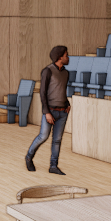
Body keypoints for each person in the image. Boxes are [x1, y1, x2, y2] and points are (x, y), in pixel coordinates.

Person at [26, 45, 72, 175]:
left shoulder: (66, 73)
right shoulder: (48, 71)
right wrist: (46, 112)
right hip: (50, 111)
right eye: (66, 55)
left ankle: (53, 166)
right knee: (43, 136)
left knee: (57, 140)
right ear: (60, 57)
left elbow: (61, 90)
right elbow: (43, 93)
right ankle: (29, 157)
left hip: (63, 111)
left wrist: (67, 103)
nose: (68, 57)